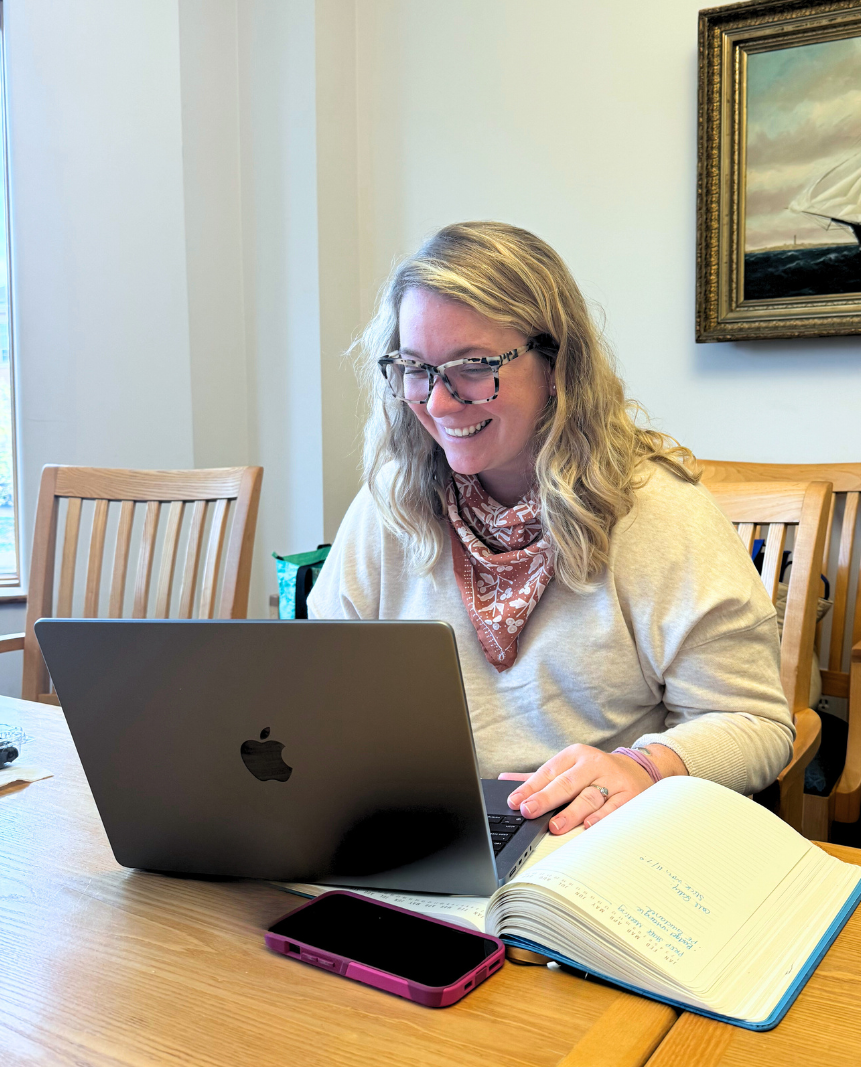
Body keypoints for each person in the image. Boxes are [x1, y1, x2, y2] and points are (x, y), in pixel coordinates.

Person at [307, 221, 794, 836]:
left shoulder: (656, 512)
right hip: (420, 829)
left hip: (595, 837)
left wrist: (645, 768)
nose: (437, 402)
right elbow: (320, 691)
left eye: (472, 366)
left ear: (558, 363)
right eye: (414, 367)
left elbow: (755, 725)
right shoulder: (391, 506)